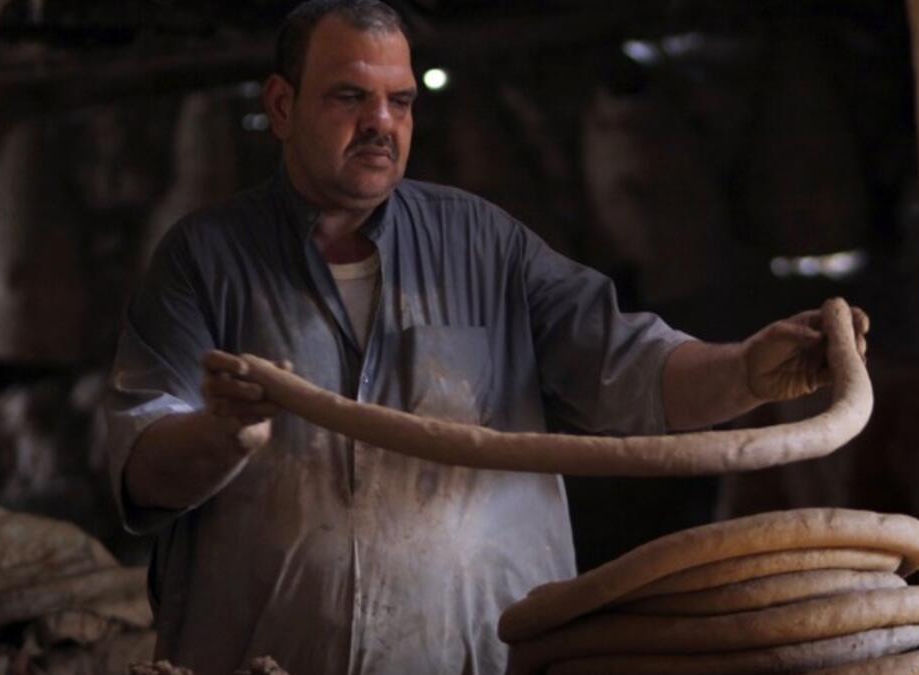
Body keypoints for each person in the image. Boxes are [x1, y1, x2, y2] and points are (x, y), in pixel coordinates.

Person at [103, 1, 869, 673]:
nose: (381, 123)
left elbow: (632, 370)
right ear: (279, 105)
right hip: (264, 662)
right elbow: (139, 466)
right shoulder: (203, 260)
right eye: (349, 96)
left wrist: (746, 371)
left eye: (400, 101)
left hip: (477, 657)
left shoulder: (485, 244)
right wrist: (220, 436)